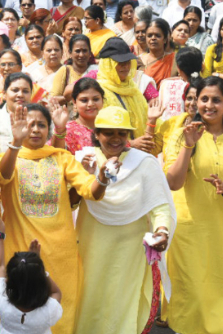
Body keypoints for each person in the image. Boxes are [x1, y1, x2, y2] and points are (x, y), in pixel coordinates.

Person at [0, 103, 112, 334]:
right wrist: (16, 142)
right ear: (18, 127)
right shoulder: (7, 157)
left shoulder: (61, 158)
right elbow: (3, 176)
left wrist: (102, 178)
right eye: (30, 125)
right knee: (17, 312)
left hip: (61, 253)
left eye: (42, 124)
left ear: (49, 130)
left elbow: (90, 191)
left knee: (60, 312)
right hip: (21, 252)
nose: (36, 129)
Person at [163, 77, 223, 334]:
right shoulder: (180, 135)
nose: (209, 105)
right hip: (189, 233)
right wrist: (188, 145)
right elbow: (173, 183)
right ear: (195, 102)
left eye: (216, 100)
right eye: (204, 99)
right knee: (193, 303)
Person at [73, 106, 176, 333]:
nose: (116, 139)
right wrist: (88, 175)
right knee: (89, 300)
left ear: (129, 136)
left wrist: (162, 232)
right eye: (109, 132)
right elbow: (70, 202)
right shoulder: (83, 160)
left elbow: (160, 206)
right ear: (97, 134)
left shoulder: (144, 163)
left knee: (125, 301)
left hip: (130, 251)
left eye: (122, 133)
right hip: (91, 249)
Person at [0, 213, 62, 334]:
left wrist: (0, 234)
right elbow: (56, 292)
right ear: (41, 282)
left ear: (8, 281)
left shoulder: (2, 301)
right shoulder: (48, 312)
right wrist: (37, 266)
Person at [142, 18, 176, 89]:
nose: (153, 38)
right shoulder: (139, 60)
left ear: (165, 39)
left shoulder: (174, 59)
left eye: (157, 35)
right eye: (149, 35)